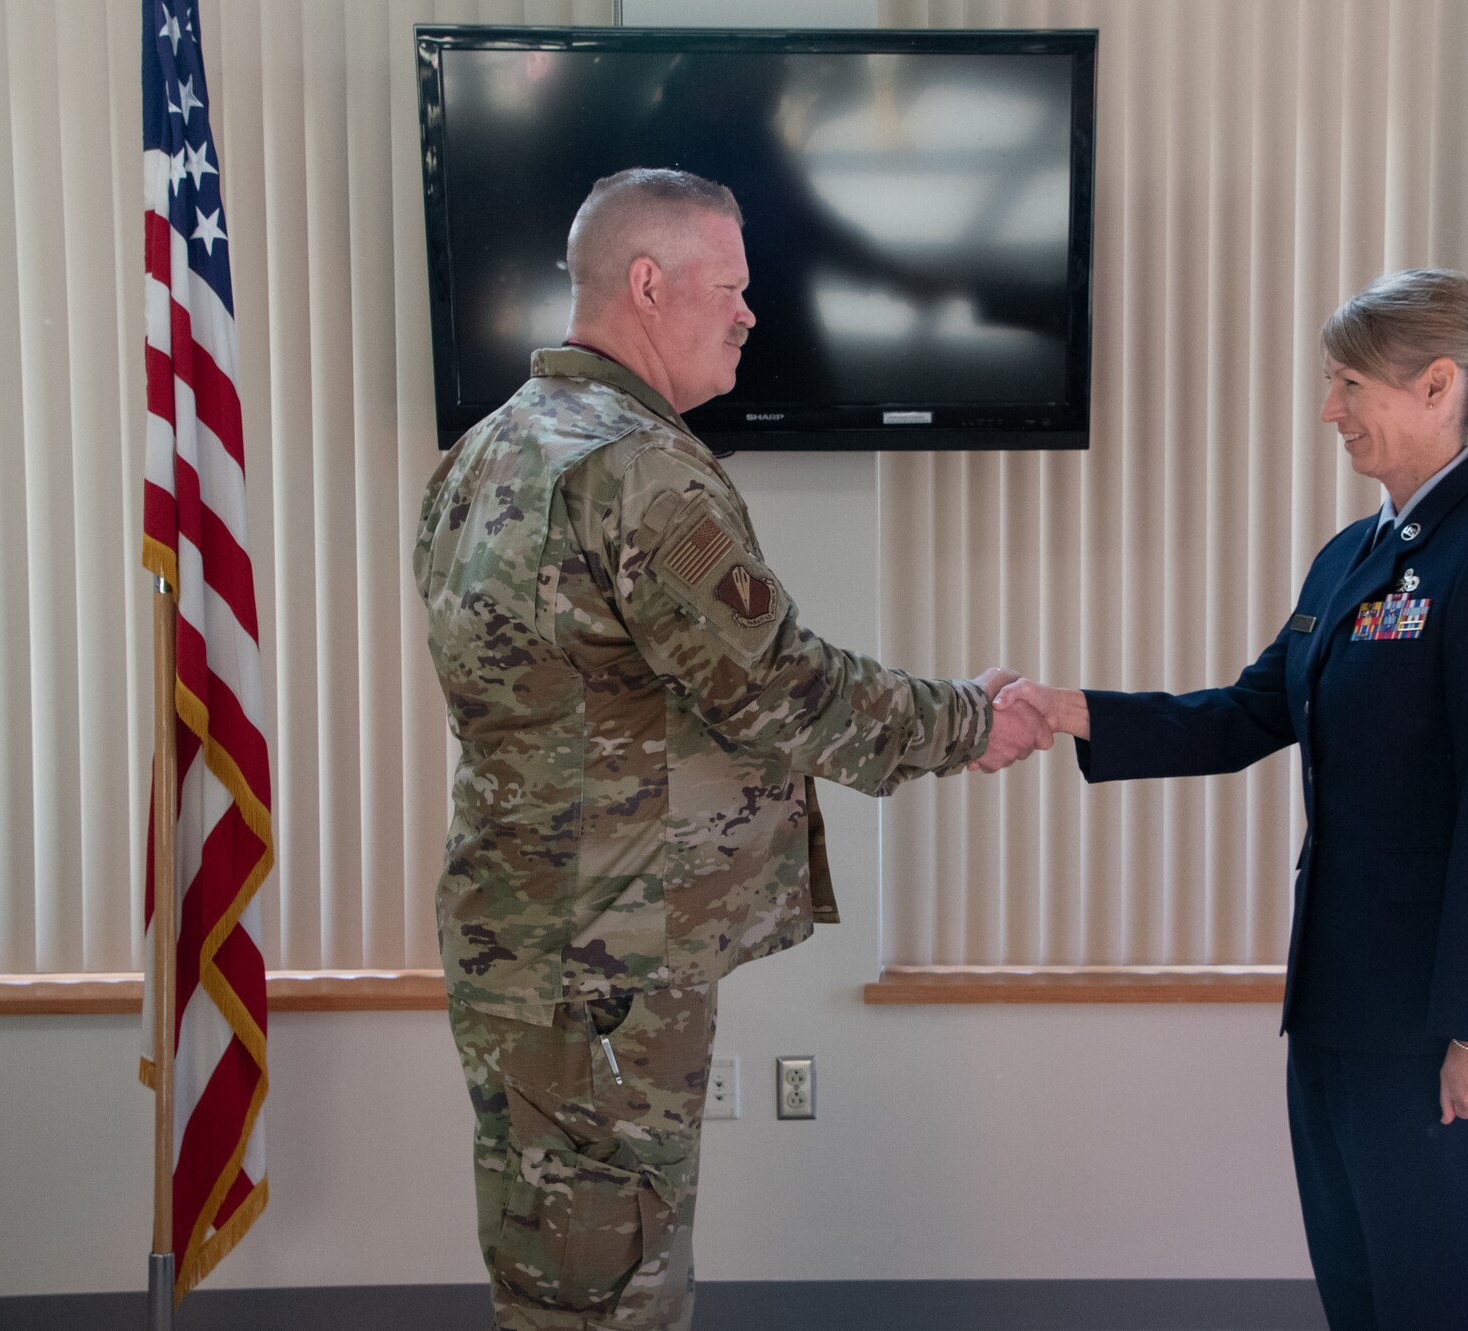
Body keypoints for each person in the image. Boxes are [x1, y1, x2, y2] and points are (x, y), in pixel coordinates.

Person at [413, 167, 1050, 1331]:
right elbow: (778, 689)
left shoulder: (481, 454)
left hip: (522, 933)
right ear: (646, 283)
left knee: (552, 1268)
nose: (751, 312)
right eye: (732, 285)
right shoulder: (635, 467)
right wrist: (970, 717)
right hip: (608, 959)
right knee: (616, 1288)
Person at [998, 269, 1468, 1331]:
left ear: (1437, 384)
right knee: (1361, 1295)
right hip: (1342, 1005)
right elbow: (1244, 712)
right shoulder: (1351, 558)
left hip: (1445, 1021)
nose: (1328, 410)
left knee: (1450, 1303)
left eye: (1348, 382)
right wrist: (1064, 708)